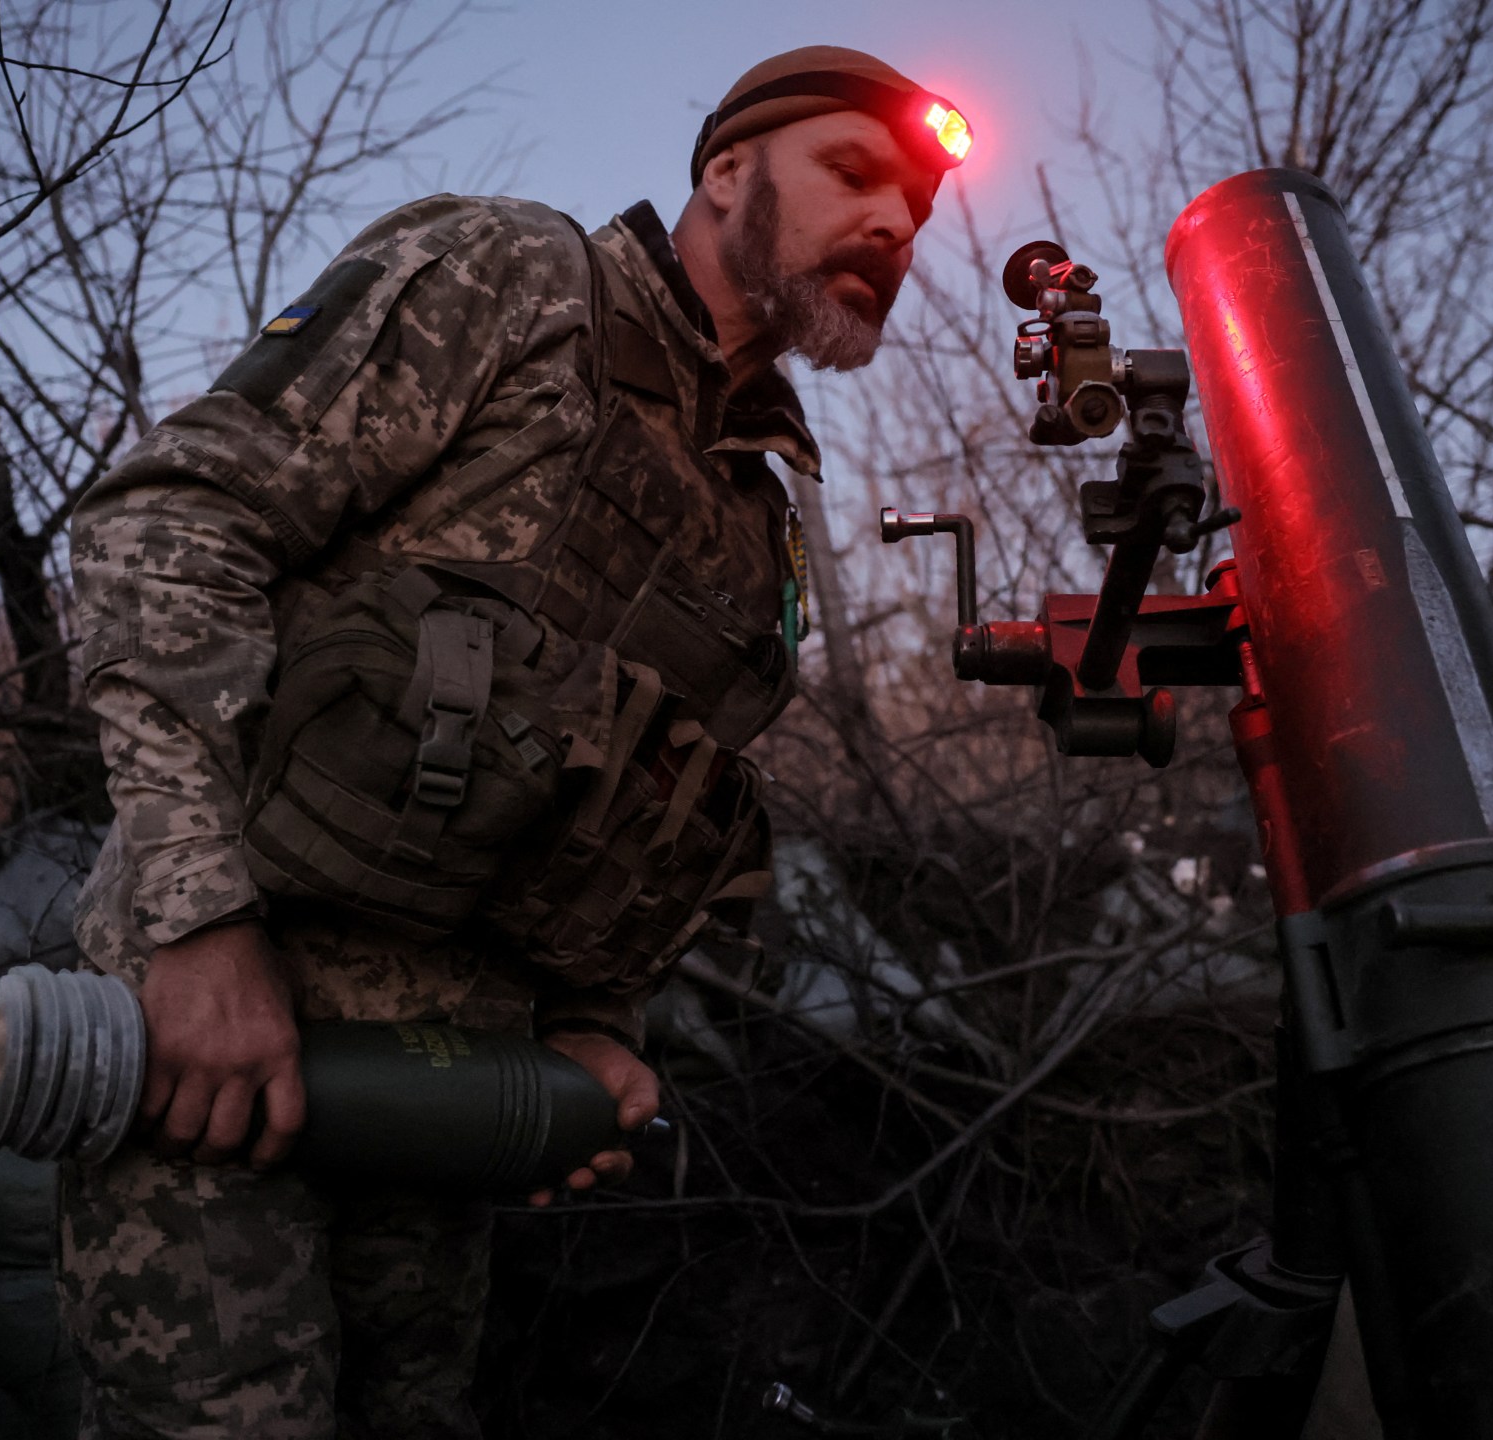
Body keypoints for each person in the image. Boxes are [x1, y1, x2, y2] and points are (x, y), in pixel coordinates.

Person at [59, 44, 970, 1439]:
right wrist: (196, 925)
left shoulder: (758, 524)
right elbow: (168, 524)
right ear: (727, 170)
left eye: (919, 209)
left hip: (449, 1101)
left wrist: (590, 1034)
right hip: (226, 1041)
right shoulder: (517, 282)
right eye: (857, 173)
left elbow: (647, 811)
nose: (898, 226)